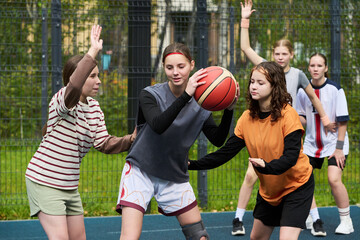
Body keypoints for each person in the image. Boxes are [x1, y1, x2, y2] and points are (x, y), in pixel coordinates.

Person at [231, 0, 336, 235]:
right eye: (276, 53)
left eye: (283, 53)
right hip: (267, 135)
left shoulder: (298, 75)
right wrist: (245, 20)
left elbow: (313, 98)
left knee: (296, 176)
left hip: (286, 132)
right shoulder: (264, 70)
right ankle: (238, 219)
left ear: (291, 55)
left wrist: (325, 118)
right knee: (252, 176)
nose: (279, 57)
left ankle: (315, 218)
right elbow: (246, 49)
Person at [115, 42, 239, 240]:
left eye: (181, 66)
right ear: (163, 67)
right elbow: (158, 125)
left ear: (191, 65)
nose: (175, 72)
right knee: (130, 236)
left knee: (199, 236)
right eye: (169, 67)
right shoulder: (150, 95)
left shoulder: (201, 104)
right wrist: (187, 96)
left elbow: (217, 139)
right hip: (140, 170)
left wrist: (228, 110)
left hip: (174, 174)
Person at [25, 25, 136, 240]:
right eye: (92, 76)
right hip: (44, 180)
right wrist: (93, 51)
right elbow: (74, 87)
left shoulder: (94, 108)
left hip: (69, 185)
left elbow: (104, 143)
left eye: (98, 75)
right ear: (78, 76)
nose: (99, 81)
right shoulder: (61, 99)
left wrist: (132, 139)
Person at [189, 61, 314, 240]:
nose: (254, 86)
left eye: (260, 83)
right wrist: (191, 164)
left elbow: (291, 158)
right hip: (270, 191)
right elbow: (224, 154)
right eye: (252, 82)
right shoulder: (247, 118)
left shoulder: (288, 115)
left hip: (297, 186)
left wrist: (267, 167)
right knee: (256, 238)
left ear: (275, 86)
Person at [296, 53, 354, 236]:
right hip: (312, 144)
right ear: (308, 68)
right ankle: (313, 217)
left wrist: (339, 148)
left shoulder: (335, 89)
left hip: (335, 143)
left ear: (325, 68)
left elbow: (343, 121)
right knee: (302, 178)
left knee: (333, 179)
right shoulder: (301, 91)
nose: (315, 69)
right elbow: (302, 119)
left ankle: (346, 221)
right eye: (312, 65)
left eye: (319, 65)